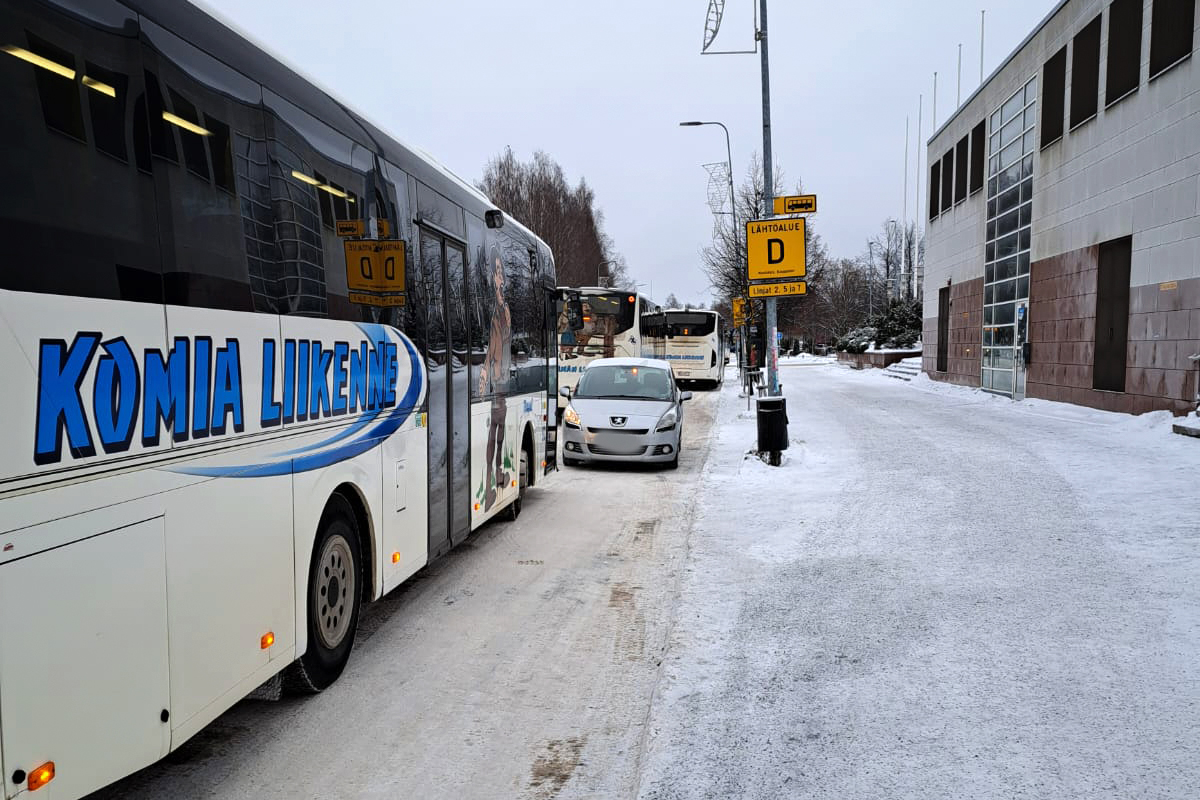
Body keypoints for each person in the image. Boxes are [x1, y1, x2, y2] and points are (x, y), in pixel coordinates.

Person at [478, 247, 511, 511]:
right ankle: (491, 481)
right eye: (497, 272)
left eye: (501, 271)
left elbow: (505, 343)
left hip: (502, 378)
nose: (500, 277)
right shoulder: (495, 311)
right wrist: (486, 372)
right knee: (494, 431)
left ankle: (497, 474)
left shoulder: (503, 308)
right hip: (497, 379)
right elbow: (492, 346)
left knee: (499, 431)